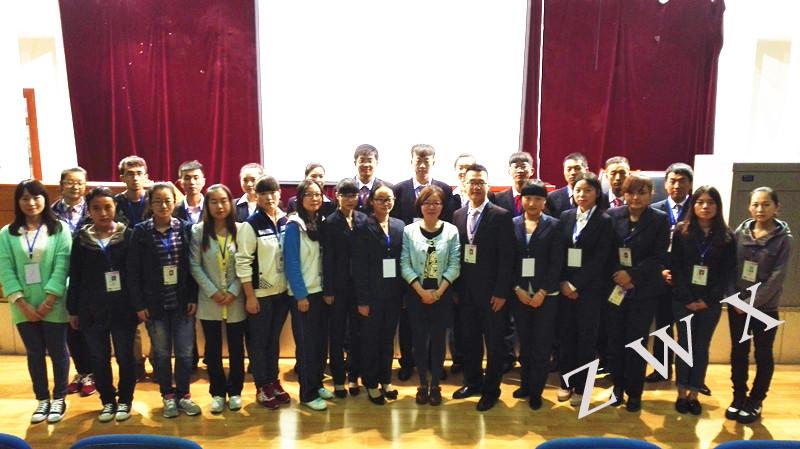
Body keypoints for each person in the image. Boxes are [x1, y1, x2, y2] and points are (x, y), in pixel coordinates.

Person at [0, 179, 72, 424]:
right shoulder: (6, 233)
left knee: (58, 351)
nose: (31, 203)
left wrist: (49, 301)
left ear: (45, 199)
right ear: (18, 202)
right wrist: (22, 304)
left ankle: (59, 398)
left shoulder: (60, 229)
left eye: (36, 197)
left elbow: (63, 265)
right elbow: (6, 270)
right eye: (24, 198)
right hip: (23, 306)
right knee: (34, 353)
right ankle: (42, 399)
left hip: (54, 302)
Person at [127, 182, 200, 418]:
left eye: (167, 200)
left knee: (185, 352)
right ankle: (167, 395)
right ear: (150, 204)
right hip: (154, 305)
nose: (163, 205)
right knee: (161, 353)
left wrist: (193, 297)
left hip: (182, 303)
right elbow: (133, 272)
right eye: (157, 201)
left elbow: (193, 267)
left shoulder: (185, 228)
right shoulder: (140, 232)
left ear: (174, 202)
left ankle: (184, 395)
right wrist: (139, 304)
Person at [66, 187, 137, 422]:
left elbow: (135, 274)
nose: (103, 213)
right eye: (96, 208)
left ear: (115, 207)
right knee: (98, 358)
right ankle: (107, 401)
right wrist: (73, 310)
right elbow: (75, 276)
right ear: (89, 211)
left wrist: (139, 305)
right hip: (91, 309)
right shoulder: (81, 240)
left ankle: (125, 400)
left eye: (108, 207)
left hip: (123, 308)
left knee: (125, 357)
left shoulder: (128, 236)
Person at [452, 164, 515, 411]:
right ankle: (473, 382)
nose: (476, 187)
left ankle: (491, 390)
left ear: (488, 186)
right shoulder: (458, 215)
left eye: (481, 182)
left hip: (492, 295)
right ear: (464, 185)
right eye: (472, 182)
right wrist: (456, 290)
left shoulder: (501, 215)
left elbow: (507, 258)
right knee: (469, 341)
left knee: (495, 344)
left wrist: (501, 292)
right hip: (466, 295)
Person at [727, 187, 792, 423]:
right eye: (755, 204)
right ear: (749, 207)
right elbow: (730, 268)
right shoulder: (740, 232)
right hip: (738, 307)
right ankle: (738, 397)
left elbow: (777, 277)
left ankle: (755, 400)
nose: (760, 209)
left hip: (765, 309)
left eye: (766, 204)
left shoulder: (784, 239)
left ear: (776, 207)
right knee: (739, 353)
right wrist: (734, 298)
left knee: (763, 355)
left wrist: (749, 304)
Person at [605, 174, 669, 412]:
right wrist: (618, 274)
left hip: (643, 291)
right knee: (615, 341)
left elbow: (658, 257)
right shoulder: (612, 216)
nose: (635, 197)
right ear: (624, 194)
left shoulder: (659, 219)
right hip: (615, 288)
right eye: (631, 192)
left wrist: (632, 276)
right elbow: (606, 251)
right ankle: (617, 388)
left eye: (641, 192)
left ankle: (634, 393)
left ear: (651, 194)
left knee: (637, 342)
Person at [669, 186, 736, 415]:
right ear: (693, 205)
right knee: (684, 346)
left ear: (718, 206)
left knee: (701, 347)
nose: (705, 207)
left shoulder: (727, 237)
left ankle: (694, 393)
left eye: (710, 202)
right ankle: (681, 392)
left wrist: (707, 300)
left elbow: (727, 273)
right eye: (700, 202)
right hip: (683, 301)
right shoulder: (681, 231)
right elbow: (675, 266)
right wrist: (687, 297)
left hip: (710, 303)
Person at [392, 144, 455, 381]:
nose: (421, 164)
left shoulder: (444, 190)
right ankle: (408, 363)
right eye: (417, 160)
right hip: (410, 265)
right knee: (409, 324)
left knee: (437, 327)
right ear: (411, 161)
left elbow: (448, 224)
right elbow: (396, 225)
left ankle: (433, 364)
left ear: (433, 162)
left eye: (426, 160)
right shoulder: (400, 189)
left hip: (439, 263)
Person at [556, 172, 613, 407]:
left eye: (587, 190)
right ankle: (566, 383)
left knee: (587, 341)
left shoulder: (605, 220)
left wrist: (575, 284)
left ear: (596, 193)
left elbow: (600, 258)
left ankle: (582, 387)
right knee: (565, 338)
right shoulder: (566, 216)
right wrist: (563, 282)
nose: (582, 194)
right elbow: (558, 253)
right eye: (578, 190)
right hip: (564, 290)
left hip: (590, 291)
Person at [400, 185, 461, 406]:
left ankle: (435, 384)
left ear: (442, 206)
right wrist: (421, 291)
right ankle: (422, 384)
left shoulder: (451, 231)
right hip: (416, 294)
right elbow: (404, 264)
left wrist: (438, 292)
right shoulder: (409, 231)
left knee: (438, 341)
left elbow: (455, 265)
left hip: (441, 295)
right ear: (420, 205)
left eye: (436, 203)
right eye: (427, 203)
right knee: (418, 341)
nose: (432, 207)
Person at [235, 176, 291, 410]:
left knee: (273, 340)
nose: (269, 197)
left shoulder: (286, 220)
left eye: (273, 192)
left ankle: (273, 380)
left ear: (279, 193)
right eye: (263, 194)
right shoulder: (251, 225)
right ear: (256, 197)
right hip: (260, 294)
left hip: (282, 292)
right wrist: (250, 296)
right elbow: (243, 262)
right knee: (259, 341)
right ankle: (262, 385)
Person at [189, 184, 246, 414]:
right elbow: (194, 265)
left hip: (235, 299)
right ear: (207, 205)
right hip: (209, 300)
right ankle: (217, 392)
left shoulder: (241, 230)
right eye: (214, 202)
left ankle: (235, 391)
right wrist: (212, 291)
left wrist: (233, 290)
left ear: (231, 203)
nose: (219, 206)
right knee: (212, 350)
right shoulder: (198, 231)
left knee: (236, 348)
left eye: (224, 201)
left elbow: (246, 262)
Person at [510, 181, 564, 410]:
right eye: (528, 198)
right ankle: (525, 384)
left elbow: (557, 262)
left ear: (544, 201)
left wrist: (543, 291)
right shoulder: (512, 224)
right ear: (521, 199)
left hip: (547, 296)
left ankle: (536, 390)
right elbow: (508, 260)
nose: (532, 203)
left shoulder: (555, 225)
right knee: (525, 343)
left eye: (538, 199)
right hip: (520, 294)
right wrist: (516, 288)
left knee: (541, 345)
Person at [352, 182, 405, 405]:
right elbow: (359, 266)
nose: (385, 203)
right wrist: (362, 300)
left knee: (387, 339)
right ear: (371, 202)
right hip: (371, 295)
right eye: (381, 199)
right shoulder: (363, 226)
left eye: (389, 199)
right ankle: (371, 383)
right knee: (371, 340)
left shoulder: (400, 225)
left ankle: (386, 379)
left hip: (393, 294)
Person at [646, 162, 694, 384]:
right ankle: (661, 369)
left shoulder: (698, 208)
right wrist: (661, 271)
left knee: (688, 331)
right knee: (663, 327)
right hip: (661, 278)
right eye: (672, 181)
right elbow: (648, 247)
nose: (677, 185)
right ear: (665, 184)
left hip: (689, 280)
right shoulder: (655, 210)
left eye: (682, 181)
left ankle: (691, 375)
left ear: (690, 184)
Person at [284, 179, 330, 411]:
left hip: (320, 292)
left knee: (320, 344)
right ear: (300, 198)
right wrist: (300, 295)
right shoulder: (294, 225)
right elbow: (291, 262)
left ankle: (317, 383)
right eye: (309, 194)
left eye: (318, 194)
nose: (314, 198)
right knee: (306, 346)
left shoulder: (321, 222)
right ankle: (307, 394)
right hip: (303, 295)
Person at [322, 179, 369, 397]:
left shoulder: (363, 219)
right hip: (337, 289)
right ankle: (338, 379)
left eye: (353, 195)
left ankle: (353, 376)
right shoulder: (330, 222)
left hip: (358, 288)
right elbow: (327, 259)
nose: (350, 199)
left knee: (357, 334)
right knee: (337, 334)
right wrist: (328, 290)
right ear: (337, 196)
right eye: (345, 195)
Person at [51, 167, 95, 398]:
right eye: (70, 182)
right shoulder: (51, 213)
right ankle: (81, 372)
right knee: (71, 326)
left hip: (89, 276)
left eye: (79, 182)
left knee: (89, 326)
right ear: (61, 185)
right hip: (61, 275)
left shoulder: (93, 209)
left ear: (85, 186)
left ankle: (93, 373)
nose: (75, 186)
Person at [112, 155, 151, 381]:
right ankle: (136, 363)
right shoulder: (114, 203)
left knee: (156, 321)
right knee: (130, 321)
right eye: (130, 174)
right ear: (122, 177)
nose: (135, 178)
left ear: (146, 176)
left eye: (139, 173)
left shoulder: (156, 199)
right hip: (124, 268)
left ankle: (158, 359)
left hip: (153, 268)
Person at [493, 152, 537, 217]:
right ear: (509, 171)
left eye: (523, 167)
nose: (520, 170)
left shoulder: (538, 197)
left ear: (532, 171)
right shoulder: (498, 198)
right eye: (516, 167)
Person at [545, 152, 588, 218]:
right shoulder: (551, 198)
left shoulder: (594, 196)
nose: (573, 172)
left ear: (586, 170)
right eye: (569, 169)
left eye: (577, 168)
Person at [353, 144, 385, 214]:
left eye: (370, 161)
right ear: (355, 163)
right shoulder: (345, 188)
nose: (366, 165)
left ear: (376, 163)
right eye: (362, 161)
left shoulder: (386, 188)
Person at [173, 160, 206, 225]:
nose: (192, 182)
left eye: (196, 178)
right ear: (180, 183)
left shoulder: (211, 207)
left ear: (203, 181)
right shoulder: (174, 210)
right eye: (187, 178)